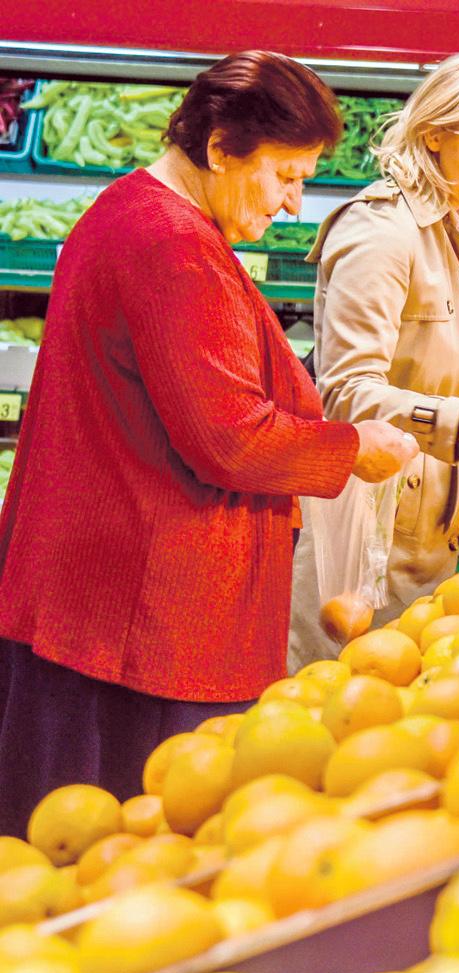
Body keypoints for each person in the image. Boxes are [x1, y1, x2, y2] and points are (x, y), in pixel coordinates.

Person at [0, 51, 419, 837]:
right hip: (145, 617)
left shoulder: (127, 209)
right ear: (221, 147)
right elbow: (229, 437)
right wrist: (352, 446)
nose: (295, 203)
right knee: (124, 843)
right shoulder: (174, 246)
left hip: (101, 589)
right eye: (286, 176)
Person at [289, 46, 459, 667]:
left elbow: (456, 362)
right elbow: (346, 392)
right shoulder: (382, 234)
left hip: (423, 533)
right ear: (435, 135)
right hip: (358, 543)